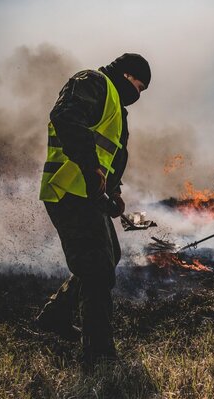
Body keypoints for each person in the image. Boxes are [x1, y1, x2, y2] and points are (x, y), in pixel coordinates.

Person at [35, 53, 151, 369]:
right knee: (98, 269)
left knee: (108, 256)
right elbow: (66, 118)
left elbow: (109, 157)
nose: (137, 95)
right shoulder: (93, 82)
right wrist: (90, 169)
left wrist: (114, 191)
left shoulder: (116, 105)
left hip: (88, 195)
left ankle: (56, 315)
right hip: (69, 190)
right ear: (126, 74)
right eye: (138, 87)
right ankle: (98, 356)